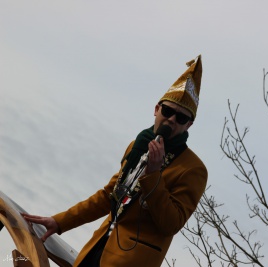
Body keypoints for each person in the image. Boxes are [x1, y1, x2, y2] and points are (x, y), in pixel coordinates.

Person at [24, 55, 207, 267]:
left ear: (189, 125)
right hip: (97, 250)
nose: (171, 120)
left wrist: (154, 175)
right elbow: (109, 196)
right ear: (156, 109)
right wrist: (60, 221)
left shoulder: (193, 169)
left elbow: (171, 223)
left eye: (181, 118)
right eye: (167, 111)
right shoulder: (137, 146)